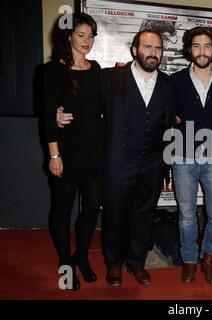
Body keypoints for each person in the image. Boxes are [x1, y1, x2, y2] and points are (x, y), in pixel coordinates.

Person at [100, 29, 174, 286]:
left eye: (158, 48)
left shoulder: (167, 84)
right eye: (148, 47)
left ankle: (136, 262)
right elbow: (87, 106)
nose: (153, 53)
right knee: (115, 215)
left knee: (143, 216)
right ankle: (114, 264)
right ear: (134, 50)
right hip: (119, 162)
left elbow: (172, 123)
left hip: (153, 163)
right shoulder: (111, 78)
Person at [170, 27, 212, 284]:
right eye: (196, 46)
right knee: (186, 214)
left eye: (207, 46)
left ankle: (208, 257)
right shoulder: (174, 81)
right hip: (183, 154)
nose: (202, 51)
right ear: (189, 50)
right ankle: (188, 260)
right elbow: (167, 113)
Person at [43, 13, 102, 290]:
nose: (87, 40)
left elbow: (101, 107)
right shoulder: (53, 70)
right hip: (65, 151)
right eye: (81, 35)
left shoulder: (96, 68)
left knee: (91, 207)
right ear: (68, 36)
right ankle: (66, 261)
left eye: (91, 35)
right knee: (63, 209)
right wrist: (54, 155)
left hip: (93, 151)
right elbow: (46, 115)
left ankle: (81, 257)